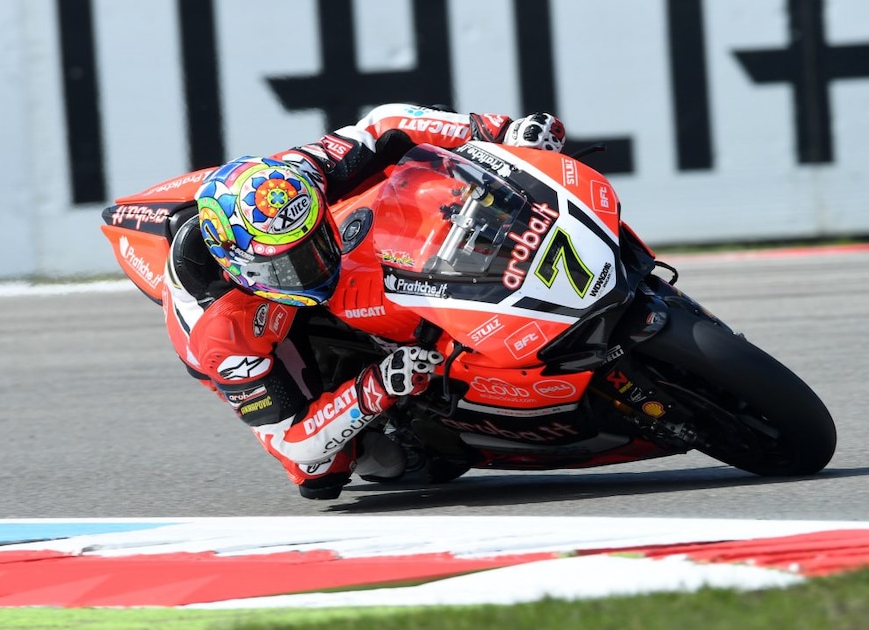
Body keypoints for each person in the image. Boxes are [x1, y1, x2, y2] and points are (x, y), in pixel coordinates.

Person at [161, 104, 567, 499]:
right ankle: (403, 432)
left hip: (300, 253)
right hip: (255, 328)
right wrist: (377, 386)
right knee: (320, 471)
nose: (316, 265)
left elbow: (384, 125)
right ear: (242, 265)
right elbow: (293, 442)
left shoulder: (291, 182)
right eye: (294, 264)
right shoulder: (221, 334)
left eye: (316, 243)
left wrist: (496, 132)